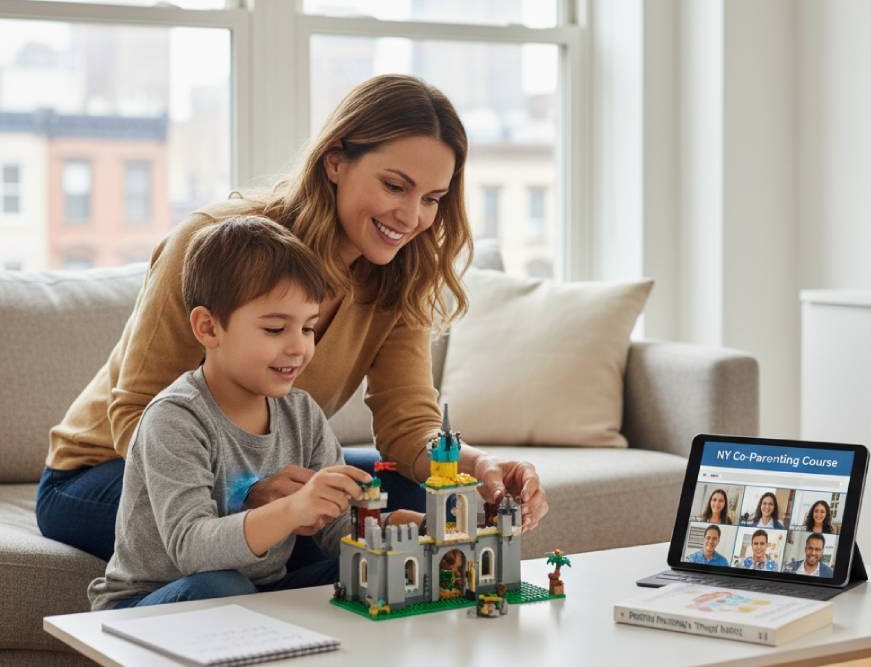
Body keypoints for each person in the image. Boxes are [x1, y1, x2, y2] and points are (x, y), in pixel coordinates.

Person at [35, 74, 548, 563]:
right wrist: (248, 492)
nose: (412, 217)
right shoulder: (214, 243)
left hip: (263, 469)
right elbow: (135, 413)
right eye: (395, 186)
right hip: (109, 471)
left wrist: (478, 466)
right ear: (335, 162)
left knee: (414, 488)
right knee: (306, 527)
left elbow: (409, 425)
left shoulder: (399, 274)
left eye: (432, 199)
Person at [90, 217, 416, 609]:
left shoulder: (302, 414)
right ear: (209, 328)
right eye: (276, 329)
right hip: (153, 601)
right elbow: (191, 550)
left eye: (308, 329)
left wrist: (409, 531)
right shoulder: (175, 418)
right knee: (222, 588)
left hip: (257, 593)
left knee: (369, 573)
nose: (299, 348)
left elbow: (340, 530)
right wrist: (293, 507)